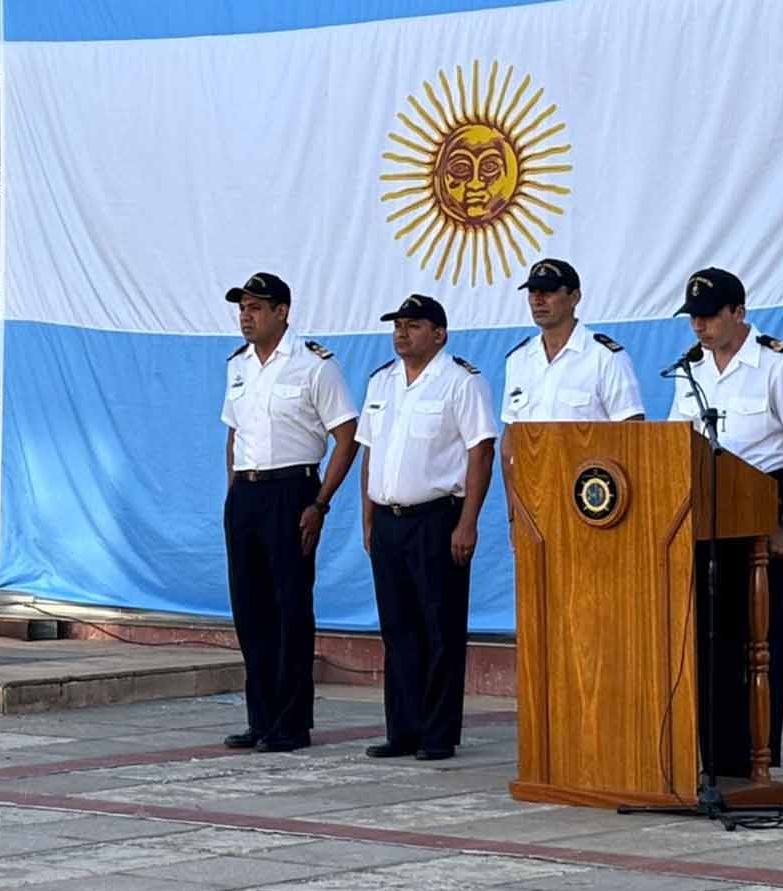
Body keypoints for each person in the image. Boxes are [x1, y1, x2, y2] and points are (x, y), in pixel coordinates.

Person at [670, 267, 783, 770]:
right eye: (694, 317)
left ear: (739, 312)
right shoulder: (691, 367)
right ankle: (715, 751)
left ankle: (757, 753)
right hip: (706, 510)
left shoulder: (777, 363)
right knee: (708, 633)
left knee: (758, 635)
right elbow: (678, 444)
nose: (700, 326)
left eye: (710, 316)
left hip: (761, 505)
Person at [220, 272, 358, 753]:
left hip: (292, 490)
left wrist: (320, 502)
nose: (246, 315)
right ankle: (259, 717)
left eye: (256, 307)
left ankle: (291, 722)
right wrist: (234, 488)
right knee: (250, 610)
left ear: (282, 311)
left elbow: (347, 435)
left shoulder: (313, 365)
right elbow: (234, 432)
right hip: (247, 495)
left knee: (289, 609)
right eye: (243, 307)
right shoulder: (237, 365)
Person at [359, 294, 496, 762]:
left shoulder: (460, 381)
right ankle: (403, 729)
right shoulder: (382, 382)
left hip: (438, 518)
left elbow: (481, 451)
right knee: (397, 629)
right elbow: (369, 452)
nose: (402, 333)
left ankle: (437, 734)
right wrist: (368, 514)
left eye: (413, 325)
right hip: (390, 520)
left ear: (438, 334)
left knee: (439, 627)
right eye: (397, 325)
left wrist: (468, 522)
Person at [501, 258, 644, 430]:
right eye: (533, 291)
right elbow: (511, 433)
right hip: (532, 457)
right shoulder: (518, 360)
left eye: (548, 291)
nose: (538, 300)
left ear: (574, 297)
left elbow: (632, 431)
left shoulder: (604, 356)